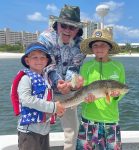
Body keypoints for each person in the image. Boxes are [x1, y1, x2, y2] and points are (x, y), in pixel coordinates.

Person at [38, 4, 86, 150]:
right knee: (39, 127)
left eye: (72, 27)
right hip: (44, 89)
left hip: (67, 92)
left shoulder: (81, 45)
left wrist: (70, 85)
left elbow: (74, 68)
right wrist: (56, 82)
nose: (67, 30)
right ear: (56, 25)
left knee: (72, 131)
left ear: (77, 30)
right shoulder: (45, 38)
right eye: (63, 25)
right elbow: (46, 64)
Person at [76, 29, 126, 150]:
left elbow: (123, 90)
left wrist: (116, 95)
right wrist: (86, 99)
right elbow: (82, 90)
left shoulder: (118, 67)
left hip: (111, 119)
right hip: (88, 119)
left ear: (109, 47)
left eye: (103, 44)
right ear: (92, 49)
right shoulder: (87, 67)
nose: (99, 48)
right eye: (95, 45)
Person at [13, 42, 66, 150]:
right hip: (29, 132)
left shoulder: (46, 79)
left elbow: (49, 98)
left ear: (47, 61)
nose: (39, 60)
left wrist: (57, 110)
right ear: (27, 61)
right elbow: (26, 99)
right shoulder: (26, 78)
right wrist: (54, 107)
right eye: (35, 57)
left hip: (44, 130)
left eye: (42, 58)